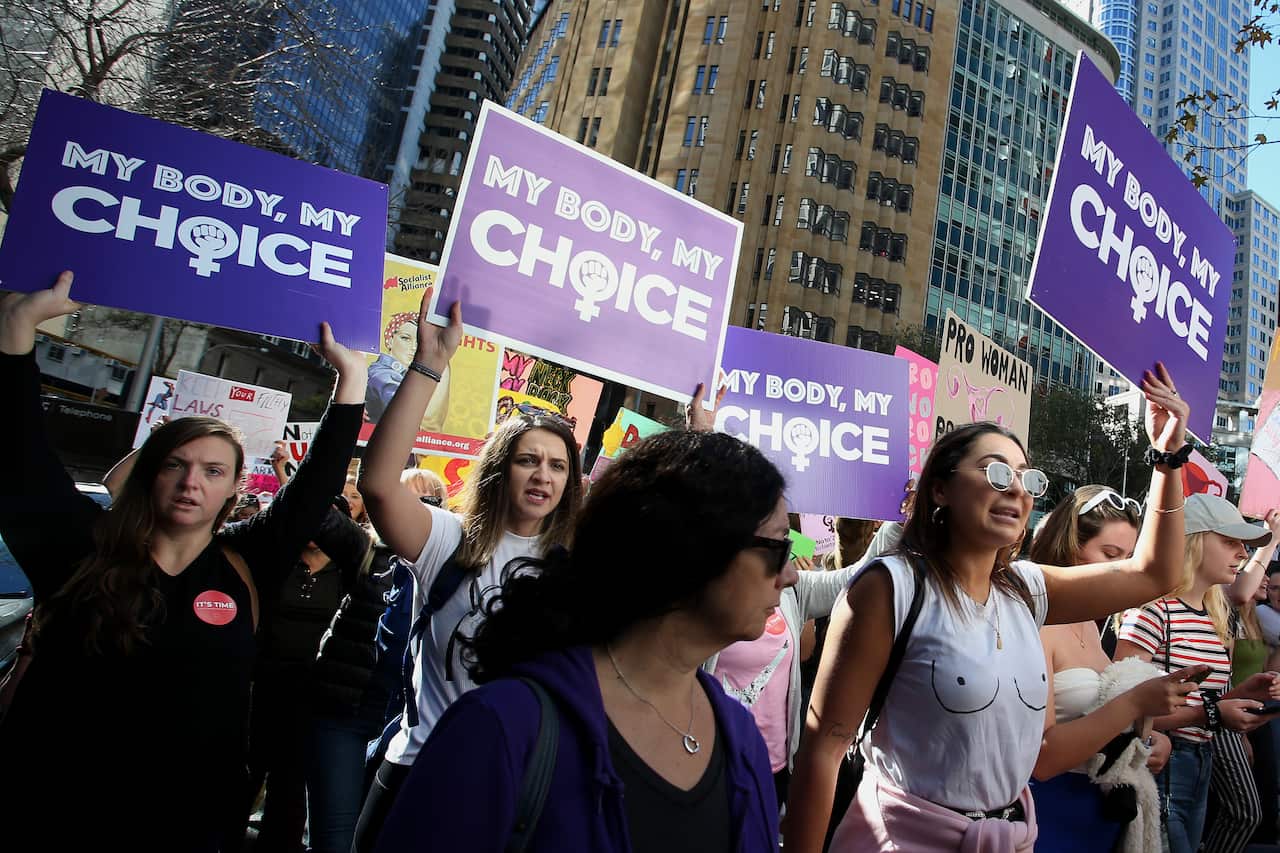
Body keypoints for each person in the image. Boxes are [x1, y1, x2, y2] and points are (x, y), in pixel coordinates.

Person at [0, 271, 367, 852]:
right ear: (150, 473)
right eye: (177, 464)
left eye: (214, 471)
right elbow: (18, 457)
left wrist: (351, 383)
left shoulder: (244, 563)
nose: (192, 481)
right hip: (50, 817)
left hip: (190, 828)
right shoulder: (80, 550)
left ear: (235, 490)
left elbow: (315, 486)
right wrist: (18, 328)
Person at [786, 364, 1197, 853]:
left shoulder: (1025, 589)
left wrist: (1168, 458)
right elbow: (824, 748)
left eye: (1028, 479)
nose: (1018, 490)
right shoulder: (890, 586)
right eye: (997, 471)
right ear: (941, 489)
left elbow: (1155, 573)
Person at [374, 429, 790, 852]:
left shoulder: (741, 740)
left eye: (558, 465)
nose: (790, 574)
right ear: (697, 549)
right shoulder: (501, 728)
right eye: (778, 549)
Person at [352, 297, 583, 851]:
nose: (542, 475)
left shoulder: (577, 569)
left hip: (519, 789)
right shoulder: (448, 540)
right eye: (529, 459)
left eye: (557, 465)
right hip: (421, 770)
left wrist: (700, 433)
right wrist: (430, 363)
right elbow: (380, 485)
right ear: (502, 470)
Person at [1027, 485, 1192, 852]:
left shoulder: (1091, 623)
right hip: (1048, 816)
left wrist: (1144, 739)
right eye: (1111, 554)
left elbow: (1092, 722)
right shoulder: (1037, 624)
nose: (1124, 569)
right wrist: (1134, 704)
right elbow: (1043, 756)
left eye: (1131, 557)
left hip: (1098, 817)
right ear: (1071, 548)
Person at [1114, 495, 1280, 853]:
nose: (1241, 553)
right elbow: (1119, 707)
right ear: (1193, 541)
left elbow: (1201, 703)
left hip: (1199, 761)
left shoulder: (1211, 616)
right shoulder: (1151, 611)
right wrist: (1213, 712)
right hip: (1162, 765)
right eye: (1229, 541)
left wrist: (1244, 693)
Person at [365, 310, 450, 428]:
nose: (414, 347)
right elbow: (422, 420)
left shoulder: (404, 375)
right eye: (405, 338)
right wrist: (442, 355)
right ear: (390, 341)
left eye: (419, 342)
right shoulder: (382, 375)